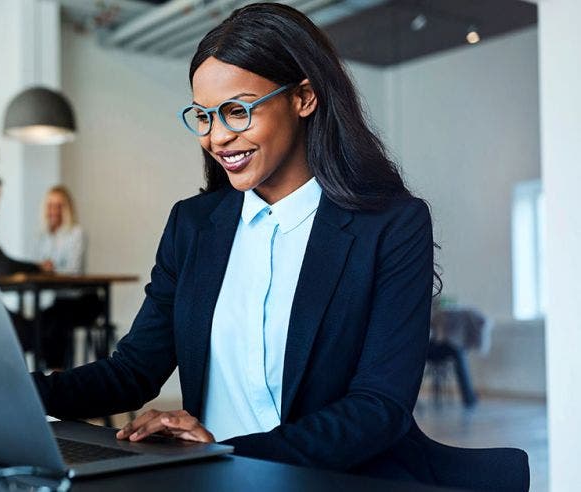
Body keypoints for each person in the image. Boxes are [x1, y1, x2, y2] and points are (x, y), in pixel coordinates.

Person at [31, 3, 441, 484]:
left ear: (304, 97)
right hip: (210, 478)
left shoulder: (392, 225)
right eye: (203, 116)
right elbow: (134, 371)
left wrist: (226, 452)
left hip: (326, 479)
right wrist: (13, 393)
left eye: (237, 111)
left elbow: (379, 407)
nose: (218, 137)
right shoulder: (193, 224)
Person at [35, 186, 102, 369]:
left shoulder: (76, 233)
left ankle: (59, 374)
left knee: (55, 324)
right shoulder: (44, 237)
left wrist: (49, 269)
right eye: (50, 205)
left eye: (59, 206)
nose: (54, 211)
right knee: (39, 323)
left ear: (67, 208)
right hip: (60, 300)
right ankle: (48, 373)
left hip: (82, 300)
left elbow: (74, 270)